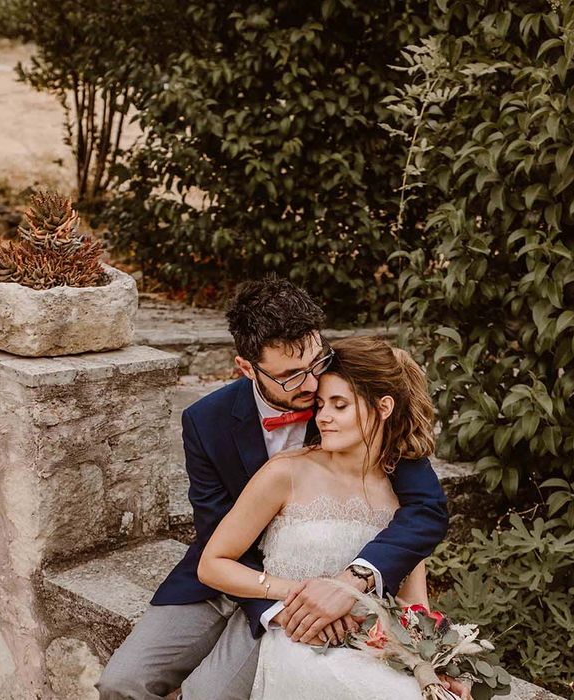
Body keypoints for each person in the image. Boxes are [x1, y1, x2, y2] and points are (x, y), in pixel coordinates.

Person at [98, 277, 450, 700]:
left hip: (324, 579)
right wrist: (289, 601)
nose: (310, 386)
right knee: (122, 683)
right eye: (290, 376)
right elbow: (217, 535)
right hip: (226, 579)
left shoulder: (348, 395)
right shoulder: (205, 421)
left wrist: (350, 583)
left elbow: (426, 510)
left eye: (315, 363)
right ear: (247, 368)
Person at [197, 335, 470, 699]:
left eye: (339, 406)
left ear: (383, 407)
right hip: (296, 641)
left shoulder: (401, 500)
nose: (323, 417)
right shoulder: (287, 472)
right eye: (321, 404)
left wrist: (433, 666)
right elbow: (212, 564)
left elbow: (414, 608)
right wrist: (304, 596)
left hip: (367, 650)